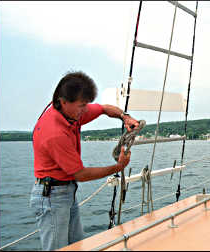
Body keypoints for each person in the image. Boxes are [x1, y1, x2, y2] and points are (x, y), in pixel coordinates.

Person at [30, 71, 140, 251]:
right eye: (81, 106)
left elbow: (104, 108)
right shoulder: (54, 133)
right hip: (52, 197)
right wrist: (118, 167)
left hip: (66, 191)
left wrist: (125, 117)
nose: (84, 110)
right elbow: (80, 174)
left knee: (77, 245)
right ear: (64, 101)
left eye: (85, 105)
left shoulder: (71, 113)